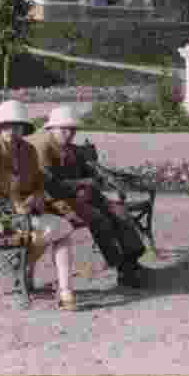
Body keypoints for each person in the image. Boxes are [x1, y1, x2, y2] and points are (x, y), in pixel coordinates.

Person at [0, 100, 81, 311]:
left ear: (23, 128)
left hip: (27, 215)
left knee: (64, 229)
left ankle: (65, 292)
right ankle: (24, 271)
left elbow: (38, 183)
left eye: (17, 125)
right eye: (7, 125)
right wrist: (10, 204)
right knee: (50, 231)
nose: (12, 130)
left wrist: (35, 197)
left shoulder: (28, 150)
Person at [30, 105, 150, 289]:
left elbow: (91, 172)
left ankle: (131, 260)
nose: (69, 133)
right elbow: (51, 186)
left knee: (120, 212)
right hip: (56, 202)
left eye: (72, 129)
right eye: (64, 129)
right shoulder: (43, 148)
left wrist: (97, 174)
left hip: (82, 197)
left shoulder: (72, 149)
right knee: (99, 219)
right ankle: (120, 266)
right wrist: (83, 183)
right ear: (51, 128)